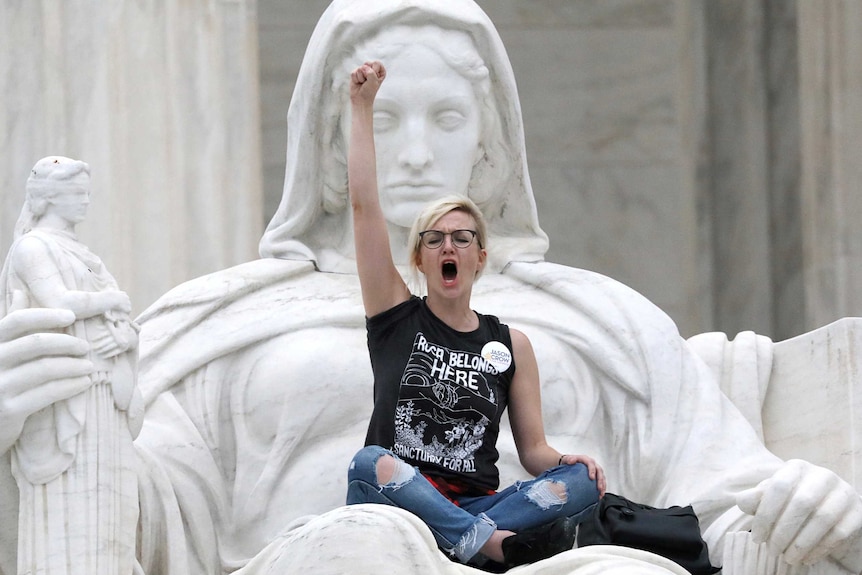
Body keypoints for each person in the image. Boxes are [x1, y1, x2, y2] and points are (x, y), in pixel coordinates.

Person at [2, 2, 860, 574]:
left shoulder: (606, 322)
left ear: (488, 145)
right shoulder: (218, 327)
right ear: (338, 147)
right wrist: (45, 423)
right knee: (370, 540)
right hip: (338, 554)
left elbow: (722, 498)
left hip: (560, 557)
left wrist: (796, 507)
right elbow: (143, 519)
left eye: (445, 117)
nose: (413, 148)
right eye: (382, 119)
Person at [343, 60, 605, 570]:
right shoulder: (396, 317)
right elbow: (363, 208)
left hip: (480, 506)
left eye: (462, 239)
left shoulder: (511, 345)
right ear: (420, 258)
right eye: (435, 238)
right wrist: (361, 107)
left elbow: (533, 452)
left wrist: (567, 461)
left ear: (479, 257)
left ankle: (473, 537)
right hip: (402, 503)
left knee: (580, 483)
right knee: (369, 463)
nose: (449, 246)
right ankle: (489, 547)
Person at [0, 156, 140, 575]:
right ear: (48, 197)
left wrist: (126, 338)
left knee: (108, 516)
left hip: (103, 398)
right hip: (63, 400)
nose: (85, 201)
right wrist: (112, 301)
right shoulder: (33, 247)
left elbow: (123, 326)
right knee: (68, 522)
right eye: (76, 193)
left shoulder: (86, 254)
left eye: (86, 193)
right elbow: (60, 305)